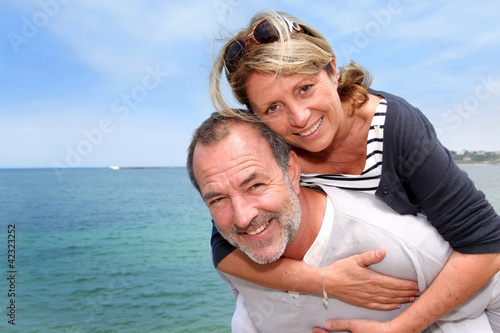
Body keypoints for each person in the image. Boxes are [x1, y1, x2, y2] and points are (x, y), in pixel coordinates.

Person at [207, 10, 500, 333]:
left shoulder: (395, 128)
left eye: (305, 88)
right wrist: (324, 281)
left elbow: (486, 243)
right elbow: (224, 247)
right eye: (272, 108)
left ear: (332, 70)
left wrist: (401, 328)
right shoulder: (271, 148)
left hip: (449, 288)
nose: (300, 117)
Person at [186, 113, 500, 333]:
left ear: (292, 172)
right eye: (217, 199)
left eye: (255, 185)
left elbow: (493, 284)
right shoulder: (238, 258)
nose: (242, 217)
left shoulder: (396, 245)